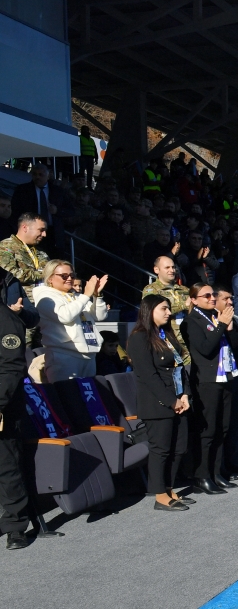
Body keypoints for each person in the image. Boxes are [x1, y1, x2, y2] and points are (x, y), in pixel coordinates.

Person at [181, 283, 238, 495]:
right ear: (194, 299)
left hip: (226, 377)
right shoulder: (191, 322)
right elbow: (206, 349)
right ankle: (202, 474)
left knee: (223, 428)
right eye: (206, 295)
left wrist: (224, 327)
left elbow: (233, 343)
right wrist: (221, 326)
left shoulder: (214, 318)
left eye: (212, 294)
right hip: (207, 381)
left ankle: (217, 471)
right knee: (208, 430)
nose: (211, 298)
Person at [127, 295, 193, 512]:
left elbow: (180, 367)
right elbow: (148, 375)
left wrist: (184, 395)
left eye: (169, 309)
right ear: (149, 310)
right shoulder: (140, 338)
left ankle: (170, 488)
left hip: (177, 399)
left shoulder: (165, 335)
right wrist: (171, 400)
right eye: (163, 308)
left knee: (179, 448)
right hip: (157, 404)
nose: (168, 312)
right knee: (161, 449)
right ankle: (160, 495)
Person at [0, 263, 39, 549]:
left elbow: (11, 367)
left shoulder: (6, 320)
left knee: (7, 466)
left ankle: (16, 526)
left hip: (3, 405)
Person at [33, 260, 108, 381]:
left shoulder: (77, 296)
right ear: (50, 278)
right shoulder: (44, 297)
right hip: (63, 355)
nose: (69, 279)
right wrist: (86, 295)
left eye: (72, 275)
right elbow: (65, 316)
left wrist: (97, 295)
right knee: (67, 396)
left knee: (88, 397)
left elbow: (100, 316)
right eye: (64, 276)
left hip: (89, 353)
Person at [0, 214, 50, 347]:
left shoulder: (40, 252)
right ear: (25, 227)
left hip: (44, 308)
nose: (44, 234)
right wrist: (41, 274)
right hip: (22, 307)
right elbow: (12, 274)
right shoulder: (6, 247)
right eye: (41, 230)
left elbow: (52, 274)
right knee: (23, 349)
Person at [142, 256, 192, 365]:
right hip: (168, 341)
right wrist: (184, 305)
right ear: (156, 270)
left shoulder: (184, 290)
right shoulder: (151, 290)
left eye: (173, 267)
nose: (172, 270)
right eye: (167, 267)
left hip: (188, 339)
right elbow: (153, 312)